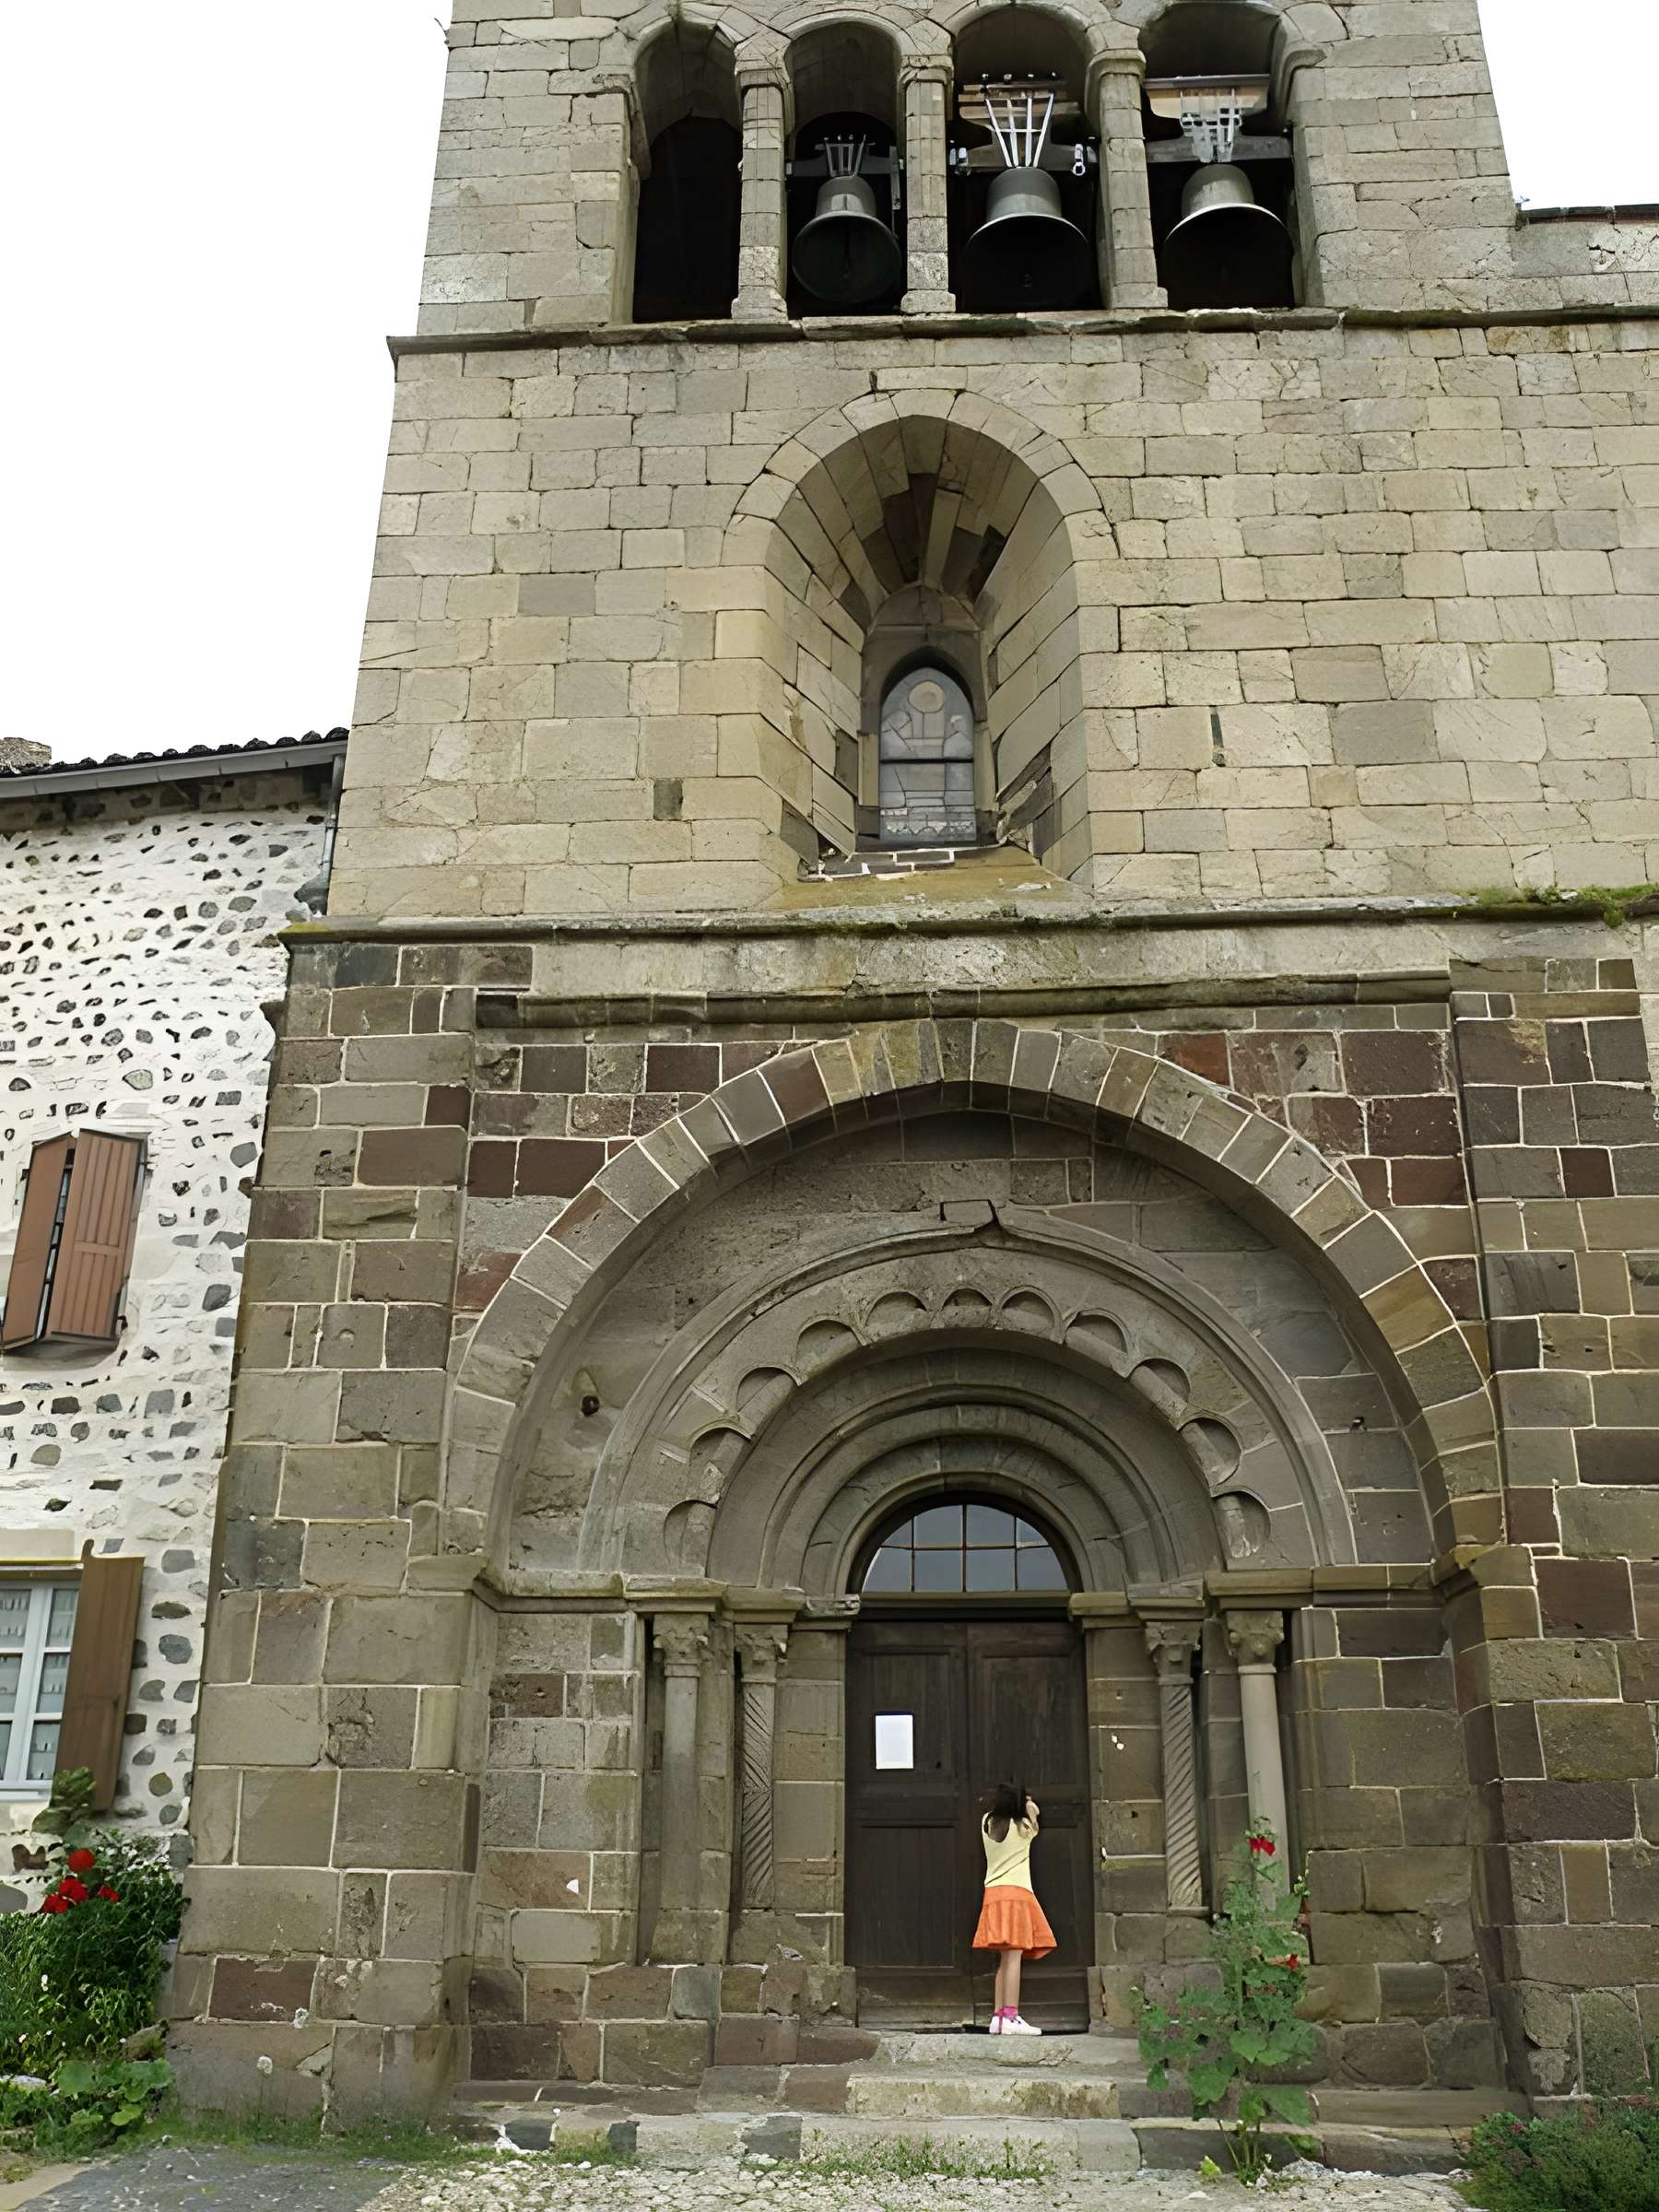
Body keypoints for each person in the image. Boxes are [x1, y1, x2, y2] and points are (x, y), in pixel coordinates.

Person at [972, 1781, 1055, 2035]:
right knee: (1015, 1957)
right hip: (1017, 1893)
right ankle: (1012, 2015)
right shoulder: (1023, 1827)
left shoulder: (987, 1822)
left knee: (1004, 1958)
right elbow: (1036, 1823)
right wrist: (1030, 1807)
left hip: (993, 1894)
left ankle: (999, 2017)